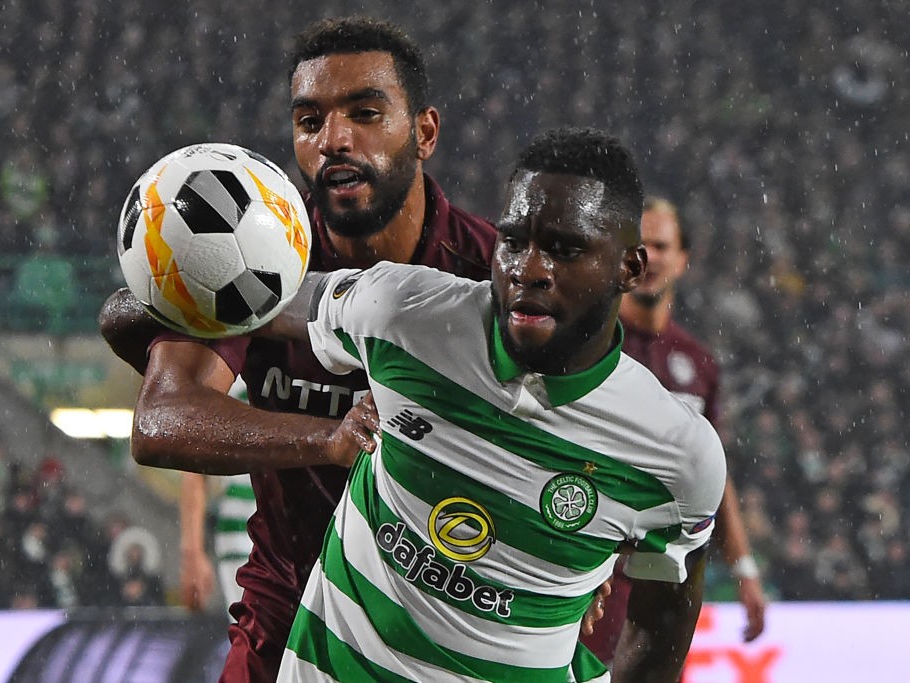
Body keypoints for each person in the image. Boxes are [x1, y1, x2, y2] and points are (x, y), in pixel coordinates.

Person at [100, 17, 496, 683]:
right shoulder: (250, 254)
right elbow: (162, 418)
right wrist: (328, 438)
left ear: (425, 132)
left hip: (449, 634)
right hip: (290, 622)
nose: (334, 140)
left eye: (365, 114)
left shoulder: (491, 274)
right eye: (310, 121)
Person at [259, 126, 726, 682]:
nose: (529, 270)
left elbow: (664, 615)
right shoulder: (404, 314)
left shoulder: (677, 453)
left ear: (629, 268)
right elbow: (255, 297)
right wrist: (152, 297)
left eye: (564, 249)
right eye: (514, 241)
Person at [581, 197, 768, 665]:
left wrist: (744, 569)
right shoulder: (586, 345)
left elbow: (713, 475)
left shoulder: (699, 364)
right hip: (589, 572)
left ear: (684, 259)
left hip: (668, 582)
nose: (651, 257)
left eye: (662, 246)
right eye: (639, 245)